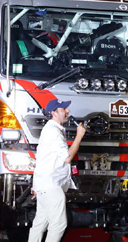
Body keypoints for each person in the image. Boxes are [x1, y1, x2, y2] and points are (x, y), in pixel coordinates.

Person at [28, 99, 86, 242]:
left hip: (45, 184)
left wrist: (37, 186)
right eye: (63, 109)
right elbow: (67, 157)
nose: (67, 111)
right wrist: (79, 136)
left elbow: (42, 159)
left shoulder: (53, 129)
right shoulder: (53, 131)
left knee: (39, 224)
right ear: (54, 113)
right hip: (51, 185)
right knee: (59, 225)